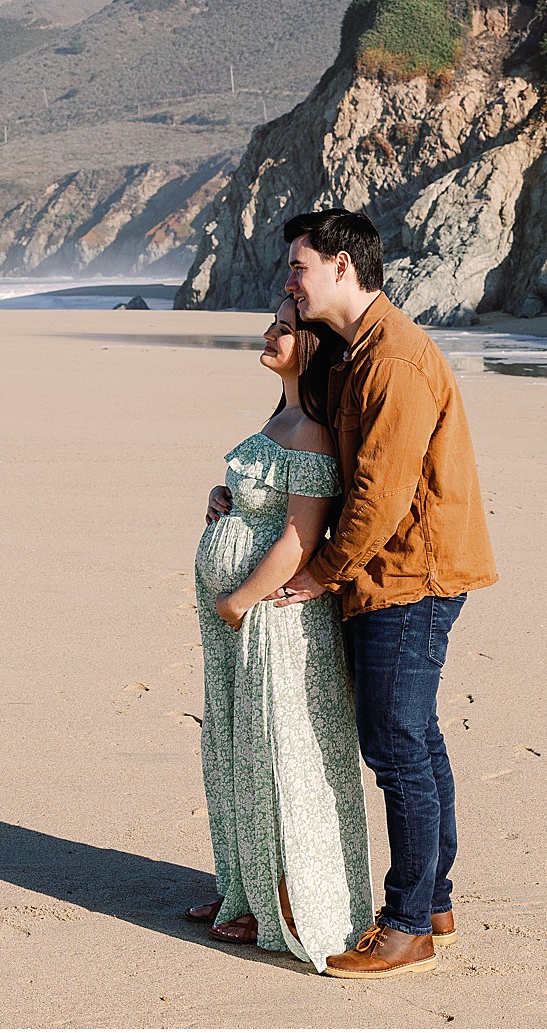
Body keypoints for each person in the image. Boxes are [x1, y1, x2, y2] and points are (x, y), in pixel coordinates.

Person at [273, 208, 500, 980]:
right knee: (414, 736)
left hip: (410, 574)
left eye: (299, 267)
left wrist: (317, 571)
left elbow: (379, 494)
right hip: (400, 570)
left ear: (342, 266)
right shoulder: (354, 351)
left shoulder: (394, 358)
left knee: (395, 742)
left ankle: (406, 924)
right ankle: (430, 898)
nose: (290, 283)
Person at [189, 296, 372, 972]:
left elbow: (301, 536)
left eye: (284, 327)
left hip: (273, 621)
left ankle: (277, 902)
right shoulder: (281, 417)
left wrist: (239, 597)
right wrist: (222, 496)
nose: (268, 333)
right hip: (239, 620)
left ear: (312, 346)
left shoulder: (315, 430)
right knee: (234, 748)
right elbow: (261, 500)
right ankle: (239, 886)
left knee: (273, 756)